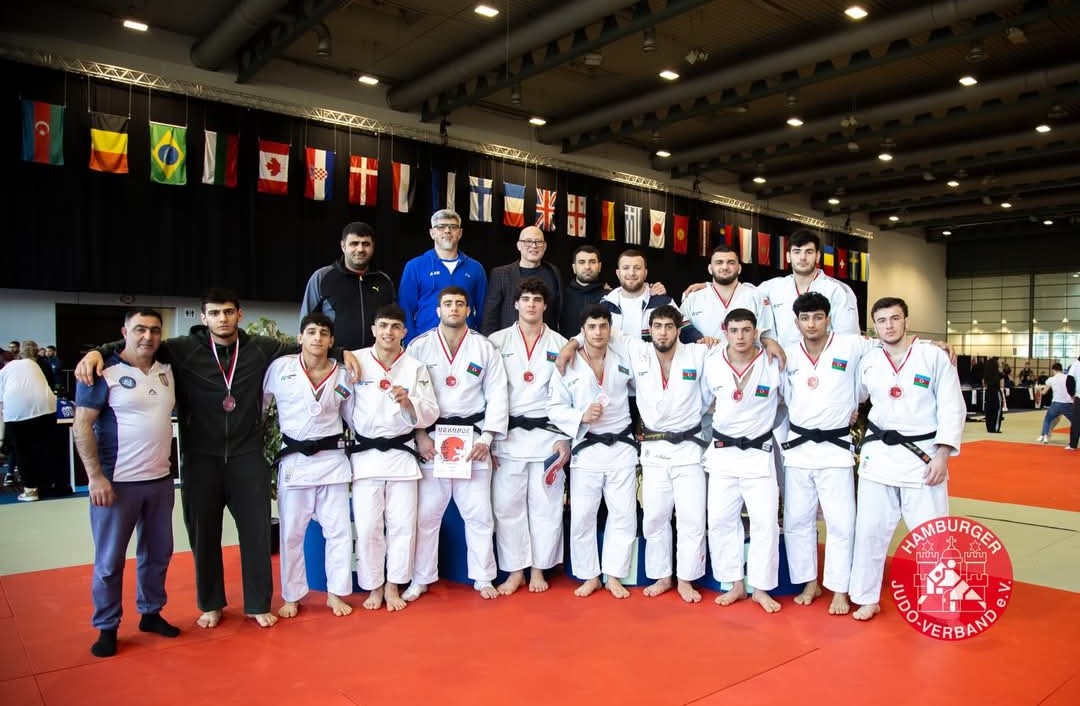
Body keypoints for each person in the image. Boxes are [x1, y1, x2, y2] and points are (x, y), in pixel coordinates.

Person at [76, 288, 358, 629]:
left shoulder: (261, 348)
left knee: (256, 533)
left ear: (239, 315)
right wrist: (98, 351)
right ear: (204, 317)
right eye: (214, 313)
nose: (222, 318)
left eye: (228, 312)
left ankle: (257, 604)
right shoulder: (182, 349)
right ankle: (211, 604)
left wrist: (342, 352)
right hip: (201, 457)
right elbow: (138, 345)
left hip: (247, 455)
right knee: (204, 535)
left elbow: (309, 347)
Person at [849, 297, 965, 621]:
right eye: (882, 320)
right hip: (879, 455)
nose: (889, 325)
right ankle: (866, 598)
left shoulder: (933, 356)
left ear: (906, 321)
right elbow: (852, 397)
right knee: (869, 531)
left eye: (895, 318)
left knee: (933, 534)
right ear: (875, 326)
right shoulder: (868, 359)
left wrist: (943, 455)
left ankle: (941, 602)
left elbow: (952, 407)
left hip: (923, 456)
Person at [72, 309, 180, 657]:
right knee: (110, 560)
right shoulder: (101, 370)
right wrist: (95, 477)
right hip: (116, 484)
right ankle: (107, 626)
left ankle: (151, 612)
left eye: (154, 330)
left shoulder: (167, 369)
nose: (147, 336)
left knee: (158, 552)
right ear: (124, 332)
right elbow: (81, 425)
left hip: (160, 480)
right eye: (139, 330)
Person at [404, 286, 508, 601]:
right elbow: (410, 395)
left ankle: (484, 577)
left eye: (459, 304)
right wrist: (419, 435)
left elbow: (497, 393)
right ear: (438, 310)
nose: (453, 308)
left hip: (473, 438)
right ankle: (421, 578)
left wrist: (488, 437)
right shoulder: (419, 346)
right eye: (447, 304)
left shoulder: (484, 347)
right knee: (426, 516)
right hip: (433, 439)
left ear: (469, 310)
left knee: (479, 514)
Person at [781, 292, 871, 615]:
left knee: (842, 523)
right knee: (798, 521)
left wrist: (934, 345)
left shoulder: (852, 345)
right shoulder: (787, 353)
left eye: (818, 317)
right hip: (798, 449)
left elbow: (892, 347)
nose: (812, 324)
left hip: (836, 449)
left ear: (828, 319)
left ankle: (839, 589)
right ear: (796, 322)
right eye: (805, 318)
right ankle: (809, 582)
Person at [345, 304, 438, 612]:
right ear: (374, 329)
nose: (389, 332)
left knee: (402, 526)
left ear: (404, 332)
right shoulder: (355, 361)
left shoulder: (415, 366)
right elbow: (343, 405)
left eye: (395, 327)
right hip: (366, 456)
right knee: (368, 526)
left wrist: (409, 403)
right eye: (383, 326)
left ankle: (393, 585)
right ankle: (373, 585)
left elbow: (431, 410)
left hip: (401, 455)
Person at [262, 313, 355, 619]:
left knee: (338, 532)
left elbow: (354, 417)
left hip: (332, 461)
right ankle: (292, 595)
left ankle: (335, 593)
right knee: (291, 533)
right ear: (300, 338)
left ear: (331, 341)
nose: (317, 338)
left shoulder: (343, 374)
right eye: (311, 332)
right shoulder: (280, 368)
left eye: (323, 333)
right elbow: (260, 406)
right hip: (295, 461)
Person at [548, 304, 638, 599]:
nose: (598, 332)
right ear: (582, 330)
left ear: (611, 329)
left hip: (621, 446)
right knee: (583, 516)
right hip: (586, 447)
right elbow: (554, 406)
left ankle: (614, 575)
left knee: (623, 514)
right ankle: (589, 575)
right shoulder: (567, 363)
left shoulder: (623, 355)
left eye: (603, 326)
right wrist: (580, 417)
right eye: (592, 327)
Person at [488, 279, 571, 595]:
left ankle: (539, 569)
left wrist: (564, 437)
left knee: (546, 506)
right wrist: (489, 437)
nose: (531, 304)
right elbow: (489, 393)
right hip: (508, 435)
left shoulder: (560, 343)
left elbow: (570, 393)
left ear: (545, 305)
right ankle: (515, 570)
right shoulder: (496, 342)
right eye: (526, 299)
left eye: (537, 299)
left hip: (547, 436)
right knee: (507, 507)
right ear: (516, 304)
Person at [701, 309, 784, 613]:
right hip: (723, 452)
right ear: (725, 332)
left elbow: (788, 402)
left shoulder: (772, 362)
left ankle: (761, 588)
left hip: (759, 454)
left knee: (765, 523)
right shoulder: (711, 362)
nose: (740, 336)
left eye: (746, 330)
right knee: (720, 521)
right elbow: (701, 403)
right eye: (734, 330)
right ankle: (734, 583)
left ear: (756, 332)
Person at [300, 221, 397, 351]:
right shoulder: (322, 277)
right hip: (334, 359)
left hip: (376, 359)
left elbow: (393, 321)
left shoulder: (384, 281)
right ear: (343, 246)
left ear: (373, 247)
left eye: (366, 244)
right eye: (354, 243)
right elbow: (306, 323)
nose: (360, 249)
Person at [758, 230, 861, 349]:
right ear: (788, 257)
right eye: (797, 252)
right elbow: (745, 307)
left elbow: (849, 340)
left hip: (823, 359)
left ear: (818, 256)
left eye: (809, 252)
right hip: (783, 359)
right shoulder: (772, 288)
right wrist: (766, 339)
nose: (802, 257)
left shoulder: (837, 290)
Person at [399, 210, 487, 345]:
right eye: (441, 227)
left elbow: (483, 310)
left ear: (460, 233)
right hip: (425, 344)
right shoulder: (415, 266)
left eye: (453, 227)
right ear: (432, 233)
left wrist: (481, 342)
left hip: (466, 344)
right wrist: (411, 343)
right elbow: (405, 309)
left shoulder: (476, 268)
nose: (447, 231)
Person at [0, 340, 57, 502]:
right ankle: (46, 486)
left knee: (22, 451)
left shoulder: (5, 370)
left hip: (17, 412)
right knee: (43, 448)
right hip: (46, 408)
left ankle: (30, 490)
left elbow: (2, 402)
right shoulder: (36, 365)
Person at [482, 226, 563, 334]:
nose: (534, 246)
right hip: (509, 342)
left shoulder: (553, 273)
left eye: (538, 242)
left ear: (545, 246)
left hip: (546, 341)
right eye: (528, 241)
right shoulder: (500, 274)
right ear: (519, 246)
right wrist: (490, 342)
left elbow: (558, 313)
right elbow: (490, 318)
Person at [601, 249, 691, 342]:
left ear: (645, 273)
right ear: (618, 273)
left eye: (637, 268)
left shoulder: (663, 302)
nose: (631, 273)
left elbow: (689, 333)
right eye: (626, 268)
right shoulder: (605, 305)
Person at [559, 245, 609, 338]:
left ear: (599, 266)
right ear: (574, 268)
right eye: (582, 262)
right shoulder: (562, 296)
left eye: (592, 262)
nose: (587, 267)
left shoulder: (609, 297)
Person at [1037, 363, 1071, 443]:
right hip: (1067, 403)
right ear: (1061, 369)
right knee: (1075, 420)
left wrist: (1039, 390)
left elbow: (1044, 392)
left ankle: (1045, 436)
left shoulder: (1051, 379)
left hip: (1056, 403)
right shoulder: (1067, 378)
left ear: (1053, 370)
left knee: (1047, 419)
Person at [982, 357, 1005, 433]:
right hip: (995, 391)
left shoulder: (987, 371)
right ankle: (995, 428)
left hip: (988, 391)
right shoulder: (997, 372)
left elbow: (984, 382)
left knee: (989, 410)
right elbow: (1001, 383)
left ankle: (989, 427)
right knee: (997, 409)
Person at [1067, 354, 1080, 451]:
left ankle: (1073, 444)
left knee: (1076, 421)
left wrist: (1071, 394)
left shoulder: (1076, 364)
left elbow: (1069, 381)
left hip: (1079, 397)